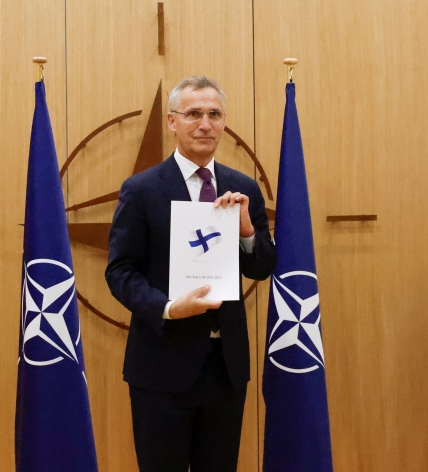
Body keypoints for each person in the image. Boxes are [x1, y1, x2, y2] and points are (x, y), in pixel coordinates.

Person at [105, 76, 277, 471]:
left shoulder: (242, 186)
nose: (205, 124)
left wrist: (247, 234)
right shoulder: (141, 189)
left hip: (225, 367)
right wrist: (167, 308)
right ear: (172, 121)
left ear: (224, 122)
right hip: (161, 366)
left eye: (214, 115)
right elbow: (120, 272)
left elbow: (263, 267)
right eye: (194, 114)